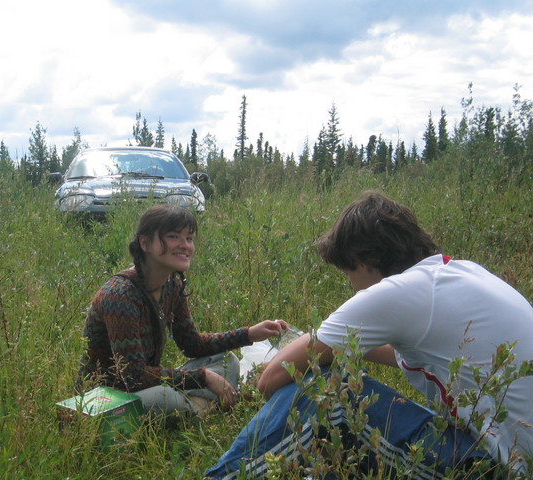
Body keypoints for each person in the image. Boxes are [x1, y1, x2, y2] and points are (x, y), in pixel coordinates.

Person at [205, 191, 533, 479]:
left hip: (491, 468)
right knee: (345, 442)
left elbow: (271, 379)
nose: (351, 285)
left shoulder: (399, 291)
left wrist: (312, 352)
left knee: (324, 388)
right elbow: (408, 355)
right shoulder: (457, 273)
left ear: (364, 261)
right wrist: (330, 344)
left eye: (348, 274)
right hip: (510, 455)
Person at [76, 203, 287, 416]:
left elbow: (192, 345)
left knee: (226, 361)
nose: (184, 245)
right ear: (145, 243)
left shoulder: (171, 286)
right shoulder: (121, 294)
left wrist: (249, 334)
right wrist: (202, 377)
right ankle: (197, 408)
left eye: (189, 238)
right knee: (166, 399)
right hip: (106, 395)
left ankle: (191, 411)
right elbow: (132, 375)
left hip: (143, 388)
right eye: (173, 236)